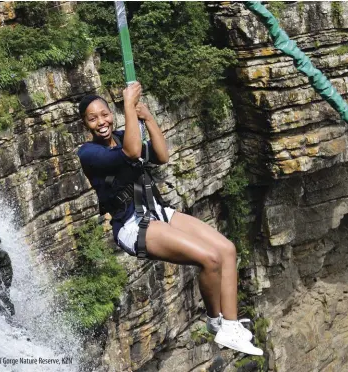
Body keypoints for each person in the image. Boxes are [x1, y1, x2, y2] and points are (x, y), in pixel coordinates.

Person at [76, 82, 263, 356]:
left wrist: (148, 118)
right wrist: (128, 106)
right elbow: (130, 152)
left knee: (227, 250)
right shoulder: (89, 153)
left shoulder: (122, 133)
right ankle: (215, 321)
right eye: (92, 119)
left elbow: (161, 156)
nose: (101, 122)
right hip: (132, 225)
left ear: (110, 114)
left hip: (157, 211)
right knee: (209, 259)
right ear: (85, 124)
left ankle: (230, 325)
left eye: (104, 114)